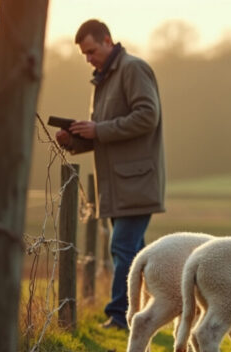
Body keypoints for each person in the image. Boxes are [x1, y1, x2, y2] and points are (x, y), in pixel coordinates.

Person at [55, 19, 165, 330]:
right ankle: (160, 310)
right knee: (139, 253)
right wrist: (75, 140)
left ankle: (119, 315)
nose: (88, 59)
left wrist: (97, 129)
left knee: (122, 247)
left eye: (91, 51)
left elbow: (147, 116)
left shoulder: (133, 69)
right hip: (117, 185)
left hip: (137, 182)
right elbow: (105, 135)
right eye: (84, 55)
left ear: (107, 40)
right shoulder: (102, 81)